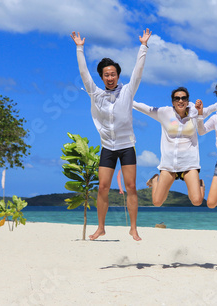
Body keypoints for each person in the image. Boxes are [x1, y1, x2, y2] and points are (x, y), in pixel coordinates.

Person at [71, 29, 152, 241]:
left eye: (113, 74)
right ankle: (101, 227)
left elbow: (138, 71)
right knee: (103, 187)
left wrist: (143, 46)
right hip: (108, 146)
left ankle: (133, 228)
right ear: (102, 77)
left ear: (118, 75)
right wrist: (80, 48)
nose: (110, 77)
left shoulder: (127, 91)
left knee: (131, 186)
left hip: (126, 146)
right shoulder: (95, 94)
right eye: (106, 75)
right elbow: (83, 73)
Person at [133, 87, 217, 206]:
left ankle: (200, 183)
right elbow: (145, 109)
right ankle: (154, 180)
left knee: (197, 201)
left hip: (189, 164)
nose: (180, 101)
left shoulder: (194, 113)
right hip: (169, 165)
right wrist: (127, 101)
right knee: (157, 202)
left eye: (184, 98)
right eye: (177, 98)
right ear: (173, 102)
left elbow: (208, 110)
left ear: (188, 101)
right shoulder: (165, 113)